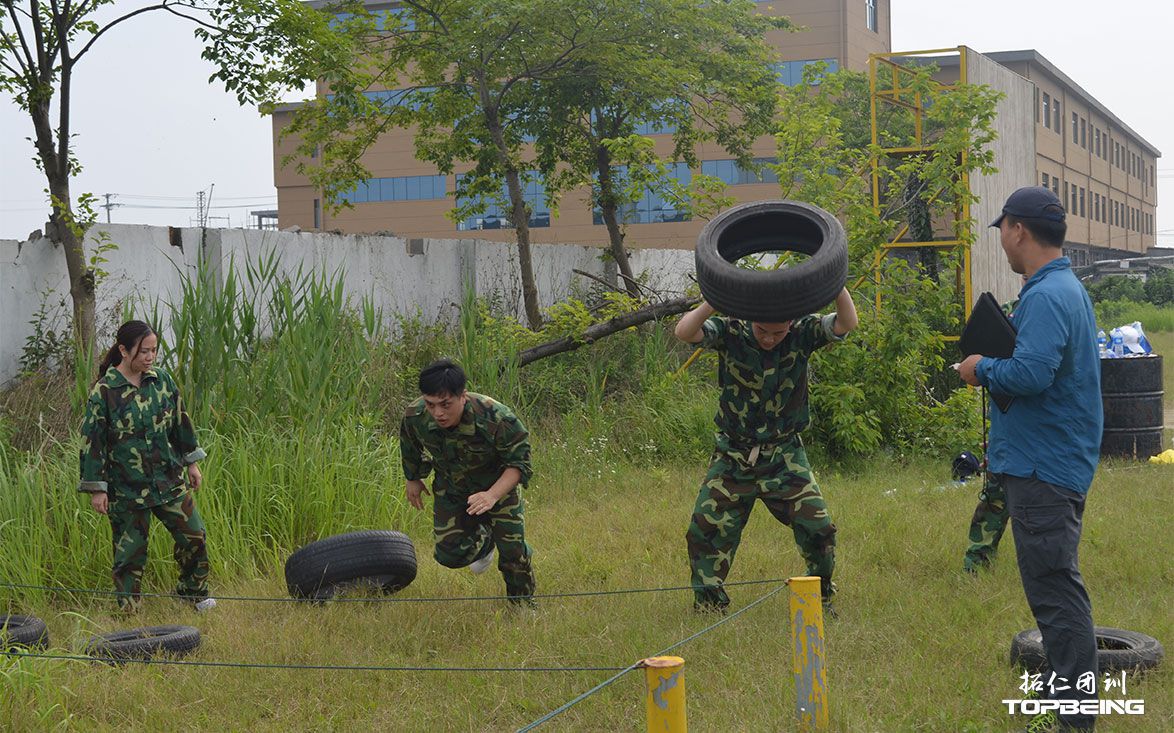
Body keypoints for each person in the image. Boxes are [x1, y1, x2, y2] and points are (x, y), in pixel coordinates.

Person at [958, 186, 1101, 732]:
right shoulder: (1064, 288)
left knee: (1057, 597)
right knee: (1055, 591)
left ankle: (1074, 721)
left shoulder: (1046, 295)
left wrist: (980, 367)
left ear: (1017, 229)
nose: (1001, 239)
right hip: (1051, 461)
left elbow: (1033, 374)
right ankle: (1069, 708)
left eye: (1001, 228)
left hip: (1044, 468)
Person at [674, 288, 858, 613]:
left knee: (819, 529)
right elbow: (684, 331)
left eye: (778, 332)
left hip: (785, 456)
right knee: (704, 530)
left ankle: (820, 600)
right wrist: (716, 298)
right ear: (750, 320)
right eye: (762, 331)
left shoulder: (803, 332)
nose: (770, 339)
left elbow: (847, 322)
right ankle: (708, 607)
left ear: (791, 322)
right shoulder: (730, 331)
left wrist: (833, 284)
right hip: (733, 455)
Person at [79, 320, 213, 613]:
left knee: (195, 536)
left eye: (154, 350)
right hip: (126, 488)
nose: (150, 357)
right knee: (130, 554)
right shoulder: (104, 392)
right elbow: (93, 443)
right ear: (124, 351)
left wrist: (192, 463)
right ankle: (128, 610)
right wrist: (97, 489)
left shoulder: (162, 380)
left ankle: (193, 594)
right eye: (144, 352)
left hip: (169, 479)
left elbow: (181, 422)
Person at [399, 359, 536, 605]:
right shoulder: (416, 414)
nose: (438, 413)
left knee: (513, 553)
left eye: (445, 405)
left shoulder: (496, 416)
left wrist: (491, 496)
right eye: (431, 404)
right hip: (452, 488)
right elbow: (410, 443)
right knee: (449, 555)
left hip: (499, 488)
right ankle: (487, 543)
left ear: (462, 396)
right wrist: (413, 478)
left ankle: (522, 605)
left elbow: (519, 464)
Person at [962, 275, 1026, 574]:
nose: (1026, 278)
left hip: (1031, 427)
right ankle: (977, 565)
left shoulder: (1046, 312)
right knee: (994, 498)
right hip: (1005, 422)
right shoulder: (1010, 311)